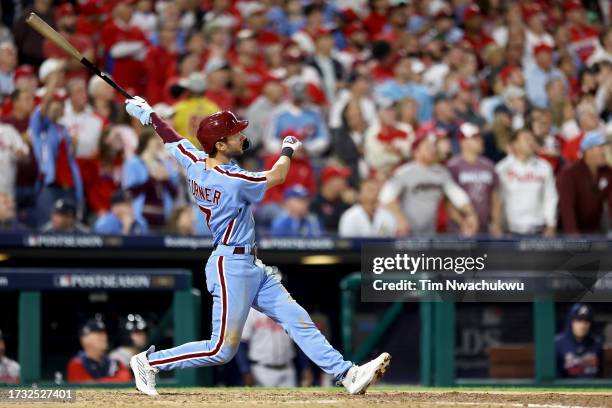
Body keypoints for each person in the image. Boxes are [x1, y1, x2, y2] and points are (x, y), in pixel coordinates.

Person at [124, 96, 390, 396]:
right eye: (234, 133)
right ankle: (149, 361)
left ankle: (347, 373)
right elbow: (278, 175)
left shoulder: (194, 160)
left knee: (297, 318)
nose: (241, 135)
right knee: (221, 349)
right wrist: (288, 148)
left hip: (250, 264)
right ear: (220, 145)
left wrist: (149, 115)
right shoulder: (232, 179)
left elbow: (171, 137)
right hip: (230, 265)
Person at [379, 132, 476, 236]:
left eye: (432, 146)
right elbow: (385, 197)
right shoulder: (404, 172)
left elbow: (457, 195)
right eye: (427, 147)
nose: (432, 150)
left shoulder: (441, 172)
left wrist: (470, 214)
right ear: (416, 151)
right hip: (407, 235)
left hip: (430, 234)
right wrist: (400, 219)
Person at [29, 70, 84, 228]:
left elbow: (69, 159)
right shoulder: (40, 128)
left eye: (60, 104)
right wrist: (52, 83)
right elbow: (44, 107)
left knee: (71, 228)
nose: (57, 107)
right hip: (50, 184)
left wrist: (73, 146)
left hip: (69, 185)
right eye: (54, 103)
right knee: (47, 226)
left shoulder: (64, 130)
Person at [496, 128, 558, 236]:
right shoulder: (502, 168)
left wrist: (551, 224)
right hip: (510, 231)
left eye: (532, 139)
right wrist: (497, 224)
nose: (531, 142)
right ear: (514, 144)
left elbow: (550, 197)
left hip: (538, 230)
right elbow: (497, 199)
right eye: (526, 139)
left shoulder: (544, 167)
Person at [447, 123, 503, 236]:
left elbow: (495, 196)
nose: (480, 141)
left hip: (485, 229)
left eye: (480, 137)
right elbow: (448, 202)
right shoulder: (453, 166)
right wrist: (463, 223)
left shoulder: (489, 165)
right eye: (475, 138)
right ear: (463, 141)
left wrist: (496, 223)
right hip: (460, 229)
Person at [557, 131, 612, 234]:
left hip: (593, 232)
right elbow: (567, 208)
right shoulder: (570, 173)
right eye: (600, 147)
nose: (605, 151)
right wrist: (575, 239)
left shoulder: (607, 172)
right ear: (588, 150)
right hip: (567, 235)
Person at [67, 318, 132, 383]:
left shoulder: (115, 362)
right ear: (84, 339)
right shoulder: (77, 363)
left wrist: (97, 381)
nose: (104, 337)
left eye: (104, 333)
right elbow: (87, 389)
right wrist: (115, 379)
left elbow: (126, 379)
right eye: (98, 334)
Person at [555, 303, 603, 378]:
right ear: (571, 322)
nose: (583, 325)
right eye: (578, 320)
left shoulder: (596, 343)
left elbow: (600, 375)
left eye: (586, 321)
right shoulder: (558, 343)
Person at [310, 165, 356, 233]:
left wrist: (351, 204)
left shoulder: (343, 202)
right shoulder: (315, 204)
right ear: (329, 181)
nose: (345, 183)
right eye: (341, 179)